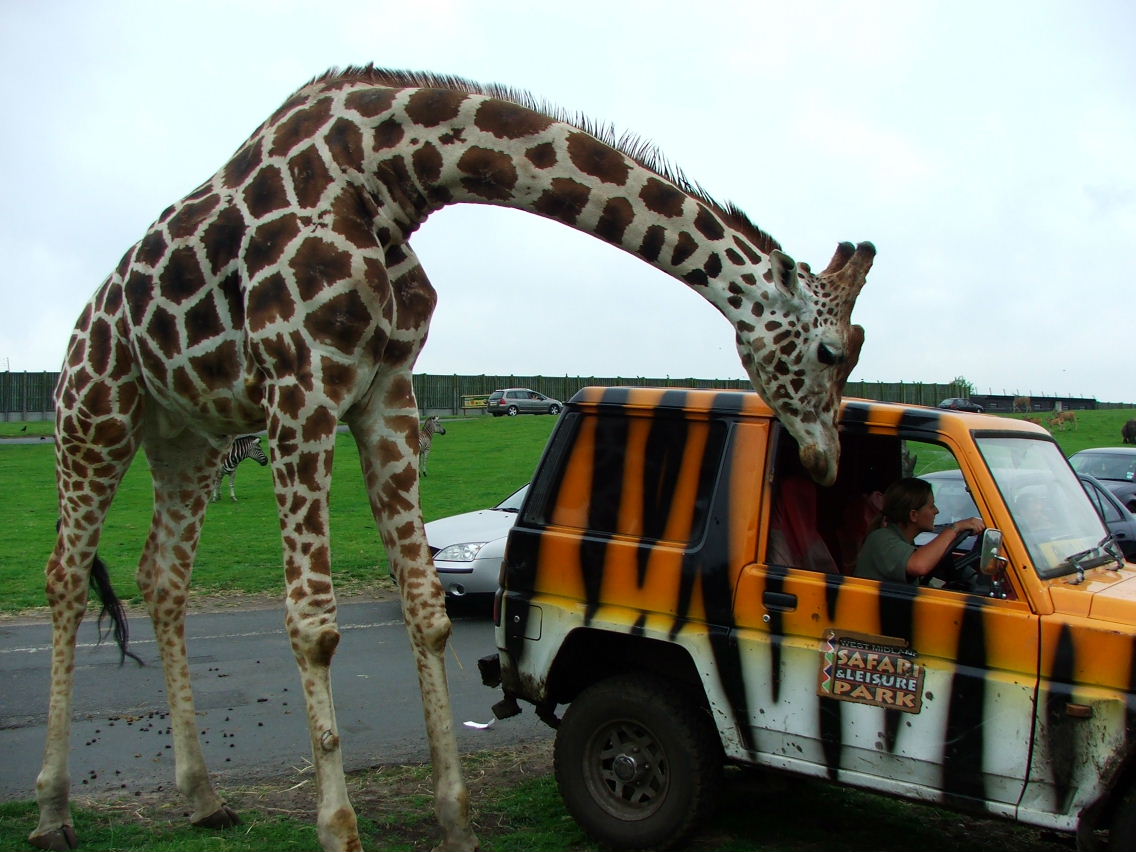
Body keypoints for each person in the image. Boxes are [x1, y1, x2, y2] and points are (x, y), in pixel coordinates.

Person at [855, 477, 985, 584]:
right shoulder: (881, 539)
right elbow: (919, 565)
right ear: (913, 515)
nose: (937, 511)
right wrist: (955, 528)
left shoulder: (902, 541)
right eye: (931, 506)